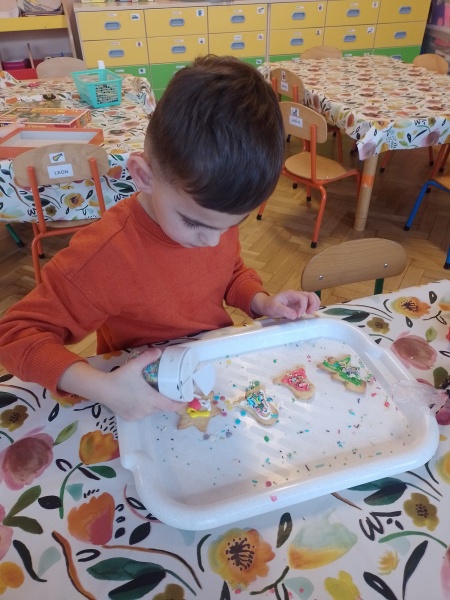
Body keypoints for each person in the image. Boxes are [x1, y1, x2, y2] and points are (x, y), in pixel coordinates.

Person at [0, 55, 320, 421]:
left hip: (208, 372)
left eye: (232, 225)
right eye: (194, 223)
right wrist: (104, 388)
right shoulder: (105, 254)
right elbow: (17, 335)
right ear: (143, 176)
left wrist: (261, 302)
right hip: (138, 394)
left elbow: (229, 272)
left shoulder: (211, 219)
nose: (213, 241)